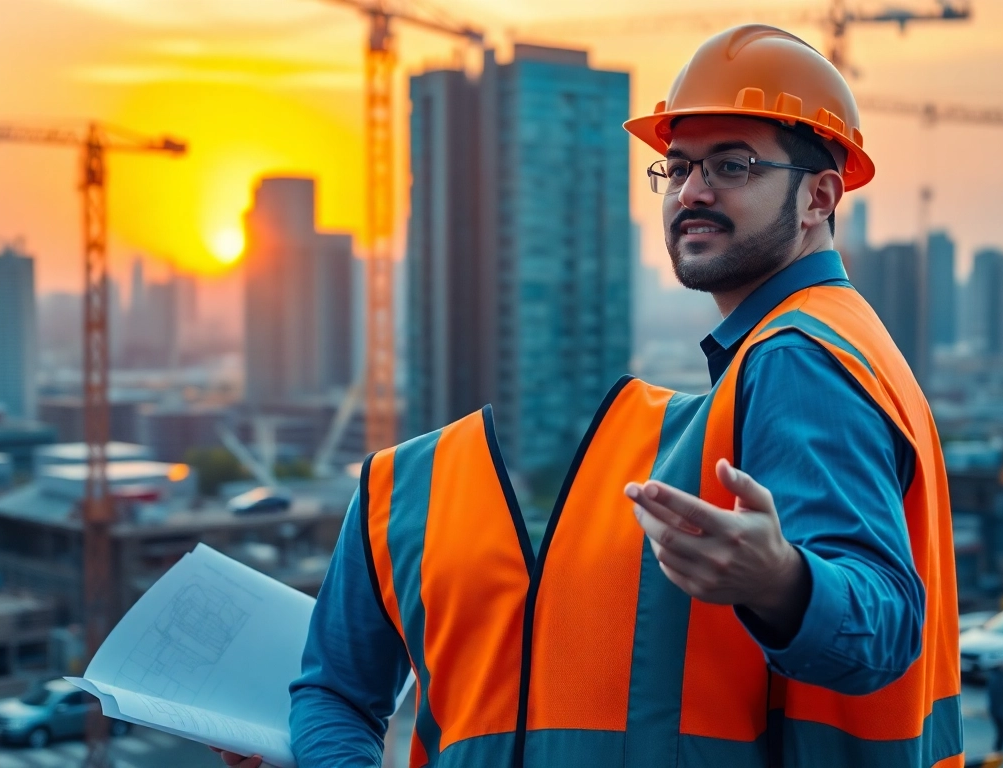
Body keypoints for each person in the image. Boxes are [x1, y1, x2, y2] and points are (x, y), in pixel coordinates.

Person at [216, 23, 961, 768]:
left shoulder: (801, 355)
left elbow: (886, 624)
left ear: (818, 197)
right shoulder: (814, 349)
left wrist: (783, 583)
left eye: (733, 165)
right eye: (678, 167)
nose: (694, 191)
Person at [986, 658, 1003, 754]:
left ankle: (998, 748)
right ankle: (998, 749)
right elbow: (1000, 698)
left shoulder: (997, 677)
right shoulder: (999, 679)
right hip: (999, 711)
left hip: (998, 710)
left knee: (1002, 731)